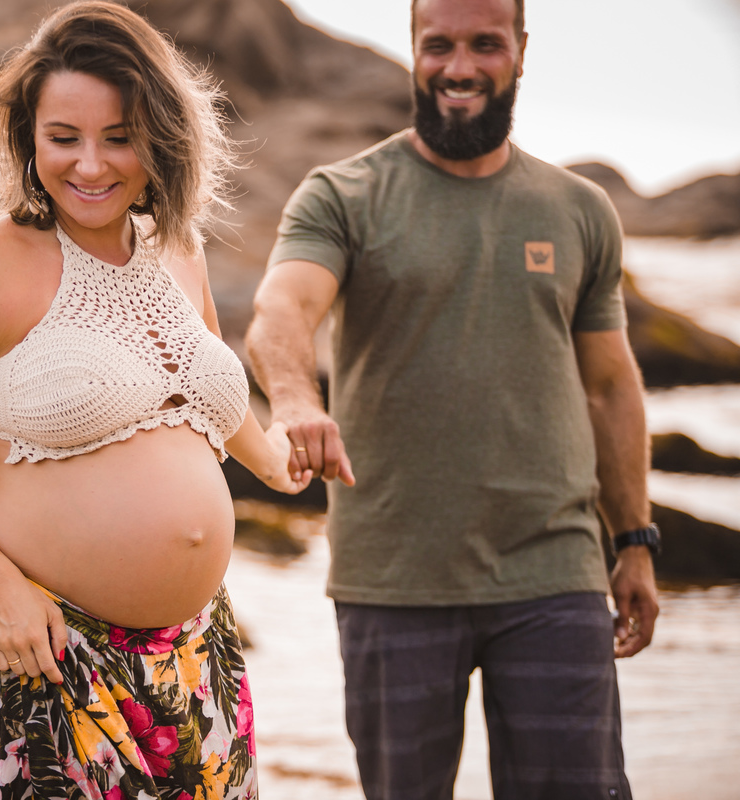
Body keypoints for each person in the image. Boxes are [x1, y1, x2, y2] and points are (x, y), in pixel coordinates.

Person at [0, 3, 308, 798]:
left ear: (161, 138)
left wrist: (280, 462)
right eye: (63, 138)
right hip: (35, 651)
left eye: (119, 136)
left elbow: (199, 394)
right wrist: (3, 588)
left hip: (194, 654)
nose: (90, 165)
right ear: (27, 138)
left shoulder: (179, 249)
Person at [244, 0, 660, 797]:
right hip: (393, 578)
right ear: (412, 49)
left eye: (484, 44)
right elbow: (282, 311)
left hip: (555, 572)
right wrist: (295, 400)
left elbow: (610, 386)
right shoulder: (342, 195)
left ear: (521, 51)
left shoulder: (579, 210)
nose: (460, 67)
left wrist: (634, 540)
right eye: (438, 45)